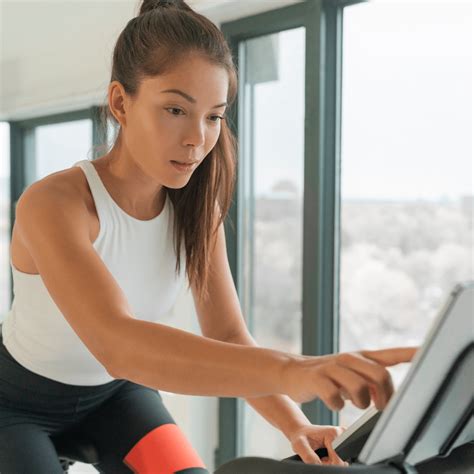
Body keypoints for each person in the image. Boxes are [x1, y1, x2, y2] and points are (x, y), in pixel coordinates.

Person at [0, 0, 418, 472]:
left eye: (214, 116)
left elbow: (226, 334)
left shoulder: (197, 210)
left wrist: (293, 423)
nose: (196, 138)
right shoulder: (53, 203)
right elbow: (117, 344)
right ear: (120, 102)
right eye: (175, 109)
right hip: (16, 405)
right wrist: (294, 368)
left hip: (117, 399)